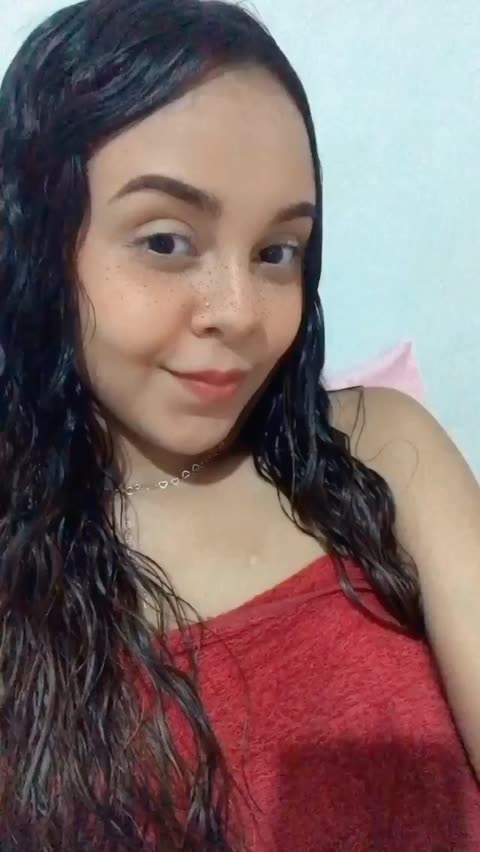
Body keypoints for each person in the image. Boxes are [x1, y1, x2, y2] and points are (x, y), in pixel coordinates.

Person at [0, 0, 479, 849]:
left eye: (276, 252)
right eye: (166, 242)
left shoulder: (380, 452)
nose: (241, 313)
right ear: (39, 243)